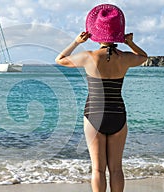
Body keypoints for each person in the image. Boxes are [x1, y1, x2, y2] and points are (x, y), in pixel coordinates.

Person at [55, 4, 147, 192]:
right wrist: (129, 43)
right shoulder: (125, 58)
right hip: (118, 114)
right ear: (118, 33)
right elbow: (143, 57)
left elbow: (60, 59)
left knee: (98, 169)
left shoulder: (89, 57)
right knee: (116, 169)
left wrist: (76, 42)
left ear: (96, 33)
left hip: (94, 115)